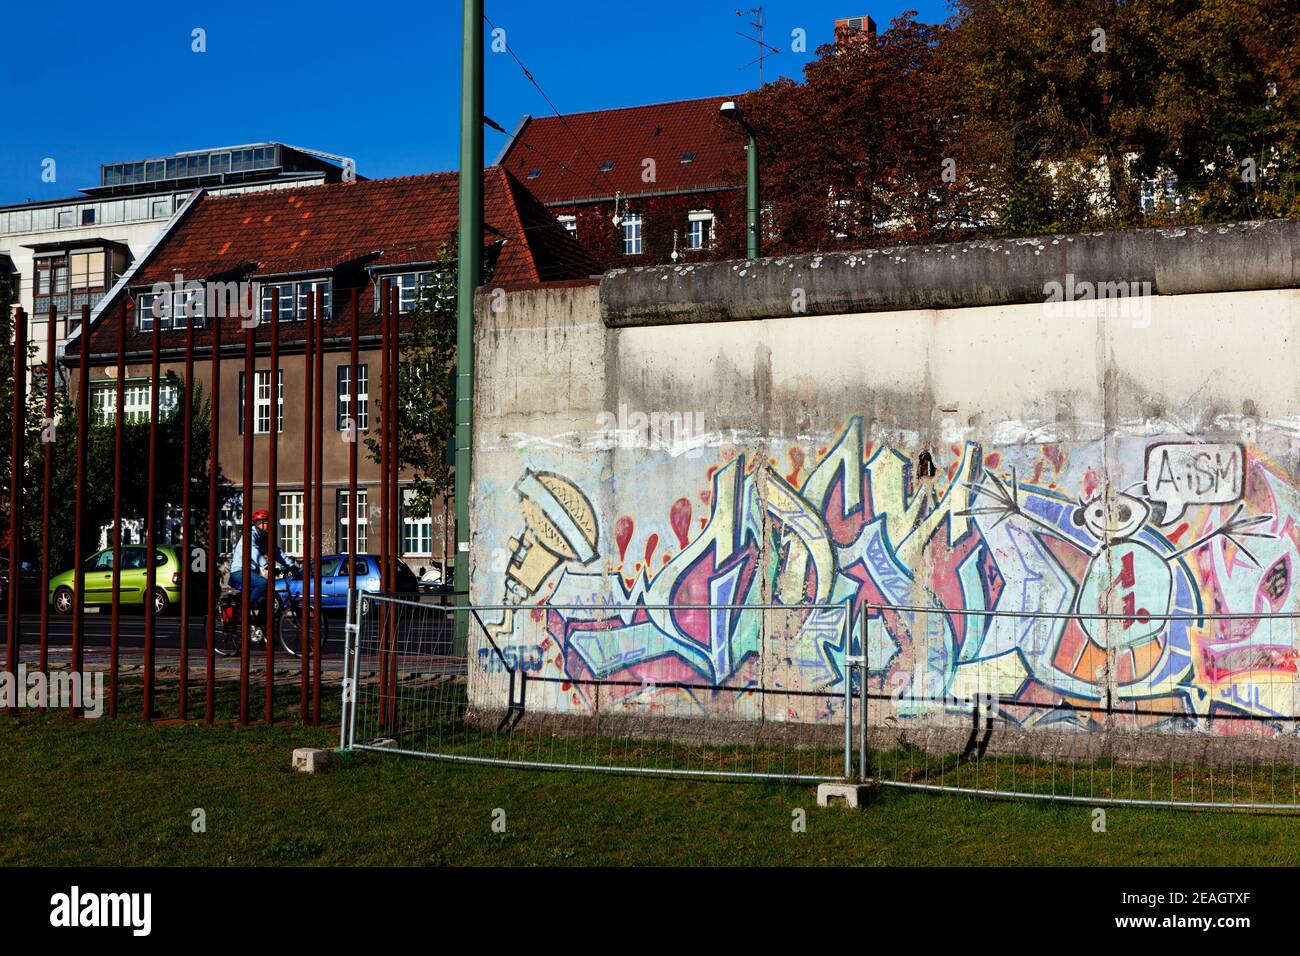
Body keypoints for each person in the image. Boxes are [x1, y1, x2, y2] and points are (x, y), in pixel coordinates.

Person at [227, 509, 293, 635]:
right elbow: (253, 551)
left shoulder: (264, 536)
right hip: (239, 571)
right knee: (263, 583)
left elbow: (276, 552)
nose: (270, 524)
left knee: (267, 600)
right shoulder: (250, 535)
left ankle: (261, 629)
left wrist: (291, 565)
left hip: (252, 572)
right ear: (260, 523)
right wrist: (267, 565)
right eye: (267, 522)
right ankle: (243, 609)